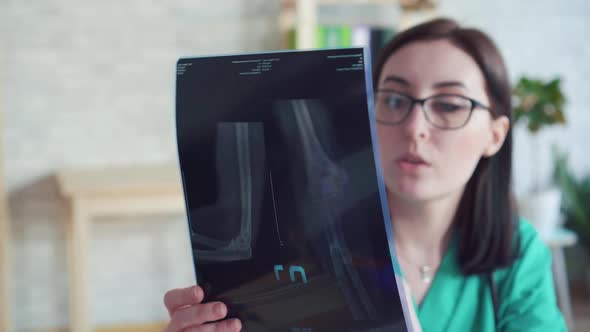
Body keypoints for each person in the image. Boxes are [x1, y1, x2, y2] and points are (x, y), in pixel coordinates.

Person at [162, 18, 567, 332]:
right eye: (394, 99)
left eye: (448, 105)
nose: (415, 127)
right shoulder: (307, 246)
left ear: (494, 135)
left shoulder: (518, 254)